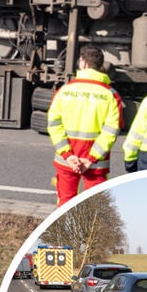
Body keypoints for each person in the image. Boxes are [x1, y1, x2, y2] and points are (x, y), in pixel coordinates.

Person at [47, 46, 123, 206]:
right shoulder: (111, 94)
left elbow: (54, 124)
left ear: (83, 62)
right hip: (96, 163)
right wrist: (90, 159)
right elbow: (112, 130)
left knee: (65, 205)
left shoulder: (64, 91)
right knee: (94, 209)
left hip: (67, 160)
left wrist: (68, 155)